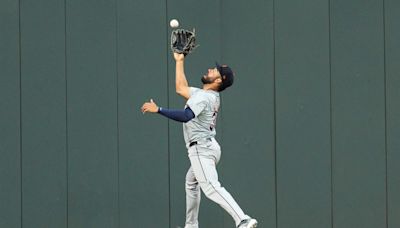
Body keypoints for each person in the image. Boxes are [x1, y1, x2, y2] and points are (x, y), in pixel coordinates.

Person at [141, 53, 258, 228]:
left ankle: (243, 219)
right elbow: (181, 88)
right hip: (209, 146)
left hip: (201, 149)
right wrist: (179, 61)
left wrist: (159, 109)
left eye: (215, 71)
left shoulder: (204, 97)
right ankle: (191, 225)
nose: (210, 69)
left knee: (210, 186)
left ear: (218, 81)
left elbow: (186, 116)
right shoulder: (205, 94)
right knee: (191, 182)